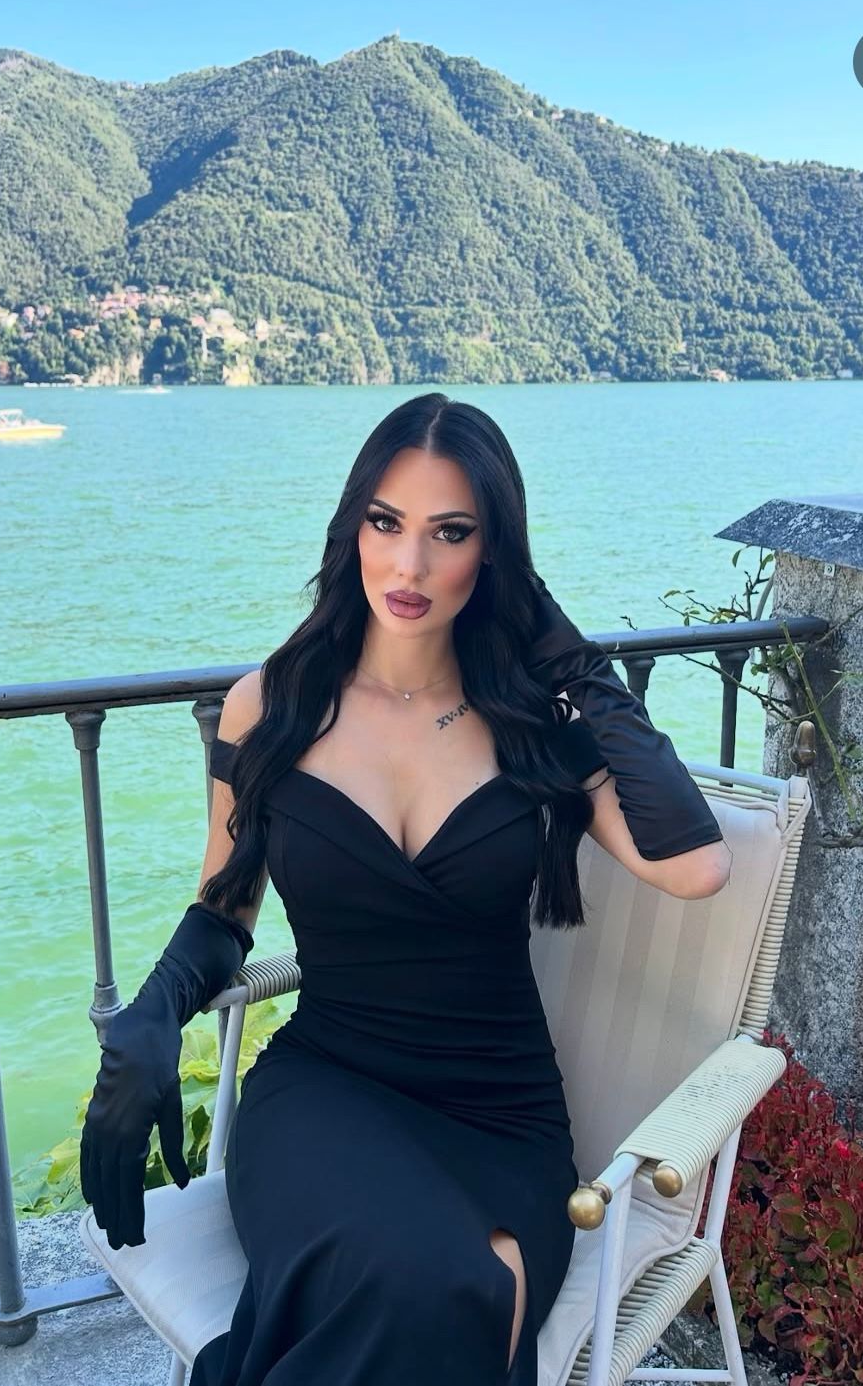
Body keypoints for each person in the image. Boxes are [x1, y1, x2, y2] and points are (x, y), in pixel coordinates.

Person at [80, 392, 732, 1385]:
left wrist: (568, 656)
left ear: (494, 551)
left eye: (450, 532)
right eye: (386, 523)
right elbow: (224, 907)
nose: (409, 565)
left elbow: (695, 865)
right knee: (424, 1290)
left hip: (500, 1115)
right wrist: (154, 1012)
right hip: (324, 1092)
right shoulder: (273, 705)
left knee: (453, 1289)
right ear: (352, 527)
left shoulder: (533, 722)